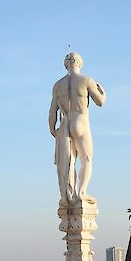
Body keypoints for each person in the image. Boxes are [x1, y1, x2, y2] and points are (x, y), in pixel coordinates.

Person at [49, 52, 105, 204]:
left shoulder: (57, 85)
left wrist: (53, 129)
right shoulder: (86, 80)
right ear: (80, 63)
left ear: (65, 65)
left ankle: (69, 194)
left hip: (64, 123)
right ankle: (81, 192)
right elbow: (99, 102)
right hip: (80, 120)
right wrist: (103, 92)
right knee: (86, 159)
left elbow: (52, 111)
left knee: (68, 162)